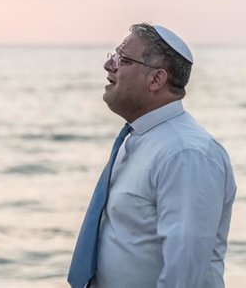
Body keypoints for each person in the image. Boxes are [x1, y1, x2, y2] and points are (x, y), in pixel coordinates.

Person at [68, 23, 237, 288]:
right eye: (113, 55)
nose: (108, 65)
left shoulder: (185, 154)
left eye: (122, 59)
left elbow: (184, 276)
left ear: (156, 79)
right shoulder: (138, 138)